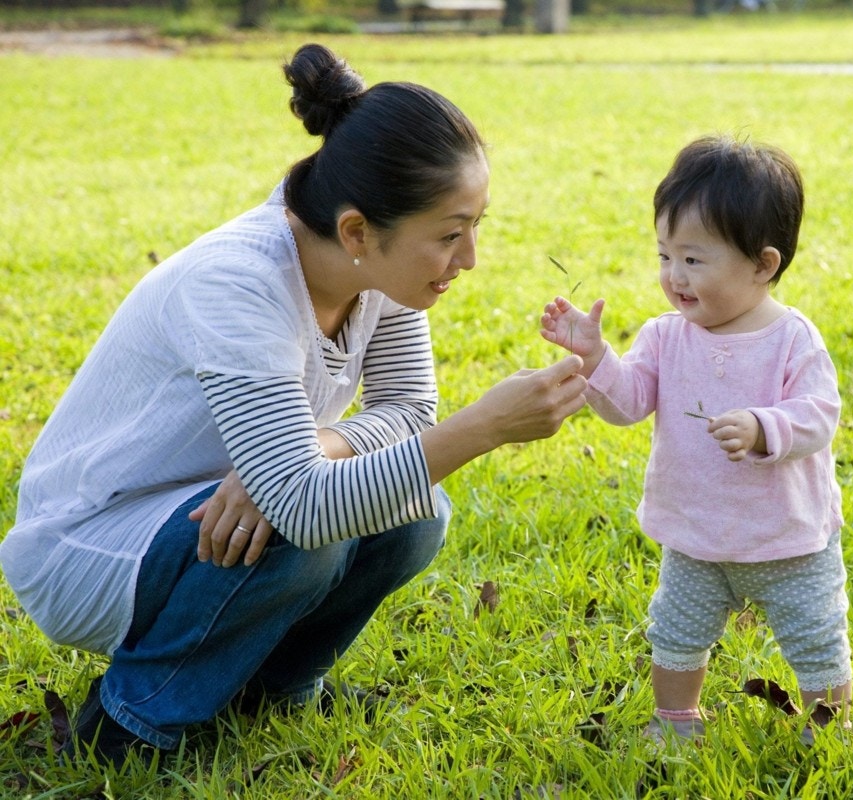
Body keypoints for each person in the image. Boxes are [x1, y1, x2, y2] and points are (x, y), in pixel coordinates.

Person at [0, 43, 587, 767]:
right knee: (310, 524)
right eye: (449, 234)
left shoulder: (382, 271)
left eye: (475, 226)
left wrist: (317, 447)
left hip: (193, 512)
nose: (468, 259)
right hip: (88, 544)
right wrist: (486, 427)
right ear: (355, 231)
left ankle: (271, 688)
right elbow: (306, 509)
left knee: (414, 508)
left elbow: (408, 413)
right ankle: (129, 720)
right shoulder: (239, 285)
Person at [540, 135, 852, 743]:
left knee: (817, 637)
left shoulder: (792, 339)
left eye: (694, 260)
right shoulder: (666, 336)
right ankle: (676, 721)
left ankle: (830, 726)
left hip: (786, 538)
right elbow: (627, 402)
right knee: (676, 634)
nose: (674, 277)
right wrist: (597, 358)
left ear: (763, 264)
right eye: (664, 256)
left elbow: (820, 415)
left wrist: (766, 426)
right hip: (695, 535)